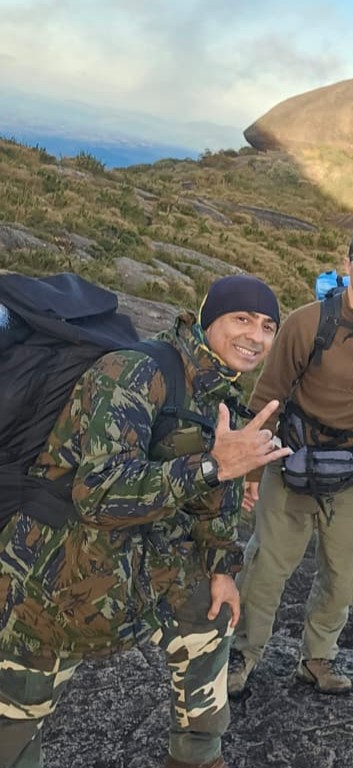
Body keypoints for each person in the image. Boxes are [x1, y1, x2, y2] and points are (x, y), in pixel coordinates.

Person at [0, 274, 289, 768]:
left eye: (267, 326)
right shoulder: (133, 372)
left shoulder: (215, 386)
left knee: (209, 613)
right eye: (241, 319)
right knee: (16, 719)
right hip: (52, 567)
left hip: (137, 556)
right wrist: (213, 465)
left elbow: (218, 488)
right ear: (207, 319)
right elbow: (98, 492)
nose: (256, 336)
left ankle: (197, 756)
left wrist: (222, 566)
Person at [228, 223, 353, 696]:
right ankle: (242, 655)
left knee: (343, 574)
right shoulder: (307, 322)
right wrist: (253, 470)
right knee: (265, 567)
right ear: (348, 264)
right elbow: (269, 397)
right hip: (292, 461)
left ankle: (317, 659)